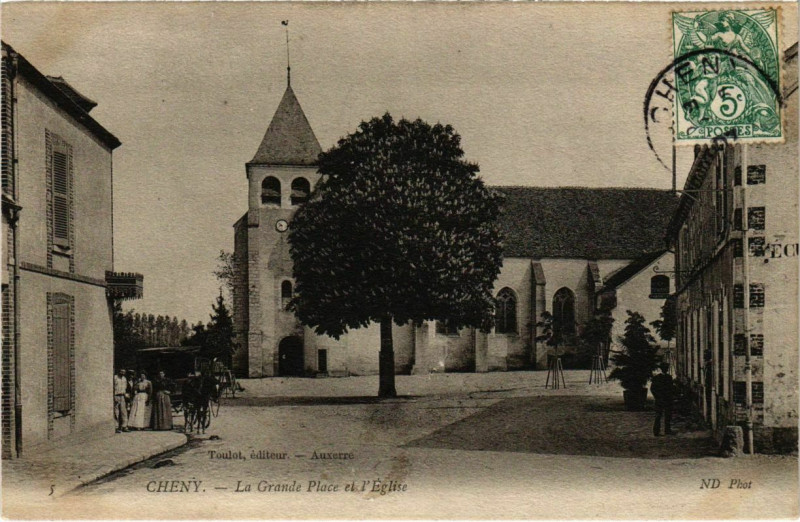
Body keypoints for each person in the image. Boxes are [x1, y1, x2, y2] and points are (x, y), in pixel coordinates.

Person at [650, 362, 674, 436]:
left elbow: (653, 389)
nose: (666, 369)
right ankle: (661, 431)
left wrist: (657, 396)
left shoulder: (664, 377)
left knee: (664, 415)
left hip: (663, 399)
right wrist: (658, 397)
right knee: (661, 415)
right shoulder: (665, 378)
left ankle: (662, 430)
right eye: (665, 368)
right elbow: (653, 389)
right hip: (663, 399)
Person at [113, 369, 129, 433]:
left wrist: (126, 395)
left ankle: (124, 426)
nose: (122, 373)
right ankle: (116, 427)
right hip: (116, 395)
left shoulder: (124, 378)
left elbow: (125, 387)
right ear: (119, 371)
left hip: (122, 396)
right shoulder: (115, 377)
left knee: (124, 412)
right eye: (121, 371)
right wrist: (113, 396)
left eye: (124, 372)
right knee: (116, 412)